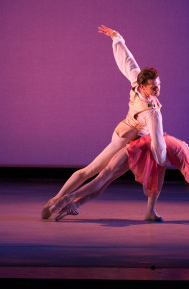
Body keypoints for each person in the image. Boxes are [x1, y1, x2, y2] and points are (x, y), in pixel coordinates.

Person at [41, 25, 167, 221]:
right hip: (125, 143)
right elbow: (158, 141)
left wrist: (117, 38)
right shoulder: (151, 112)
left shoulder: (137, 82)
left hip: (127, 139)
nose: (158, 89)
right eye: (154, 87)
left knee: (103, 179)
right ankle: (59, 200)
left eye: (158, 85)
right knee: (95, 172)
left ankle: (61, 201)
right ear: (144, 86)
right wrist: (161, 157)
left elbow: (129, 62)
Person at [48, 134, 189, 222]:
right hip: (141, 146)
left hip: (144, 150)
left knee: (106, 179)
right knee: (105, 177)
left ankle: (72, 201)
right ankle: (71, 199)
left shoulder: (187, 168)